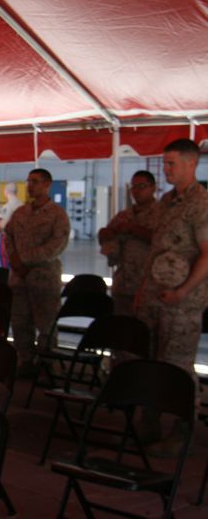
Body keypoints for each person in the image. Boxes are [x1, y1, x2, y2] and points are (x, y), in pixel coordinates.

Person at [136, 139, 208, 454]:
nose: (165, 169)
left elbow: (207, 254)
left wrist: (183, 291)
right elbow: (155, 251)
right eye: (164, 163)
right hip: (155, 295)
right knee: (151, 360)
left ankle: (183, 429)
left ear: (191, 164)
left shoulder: (201, 204)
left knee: (178, 365)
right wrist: (142, 290)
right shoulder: (167, 202)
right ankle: (149, 423)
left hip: (183, 301)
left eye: (171, 164)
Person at [4, 169, 70, 376]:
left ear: (47, 185)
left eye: (36, 181)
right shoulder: (21, 213)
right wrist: (14, 260)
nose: (31, 186)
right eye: (29, 181)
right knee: (20, 321)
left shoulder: (57, 214)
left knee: (46, 323)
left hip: (44, 279)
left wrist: (25, 260)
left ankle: (46, 362)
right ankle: (25, 360)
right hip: (20, 279)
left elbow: (57, 245)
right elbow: (9, 237)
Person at [98, 170, 159, 316]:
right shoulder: (124, 215)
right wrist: (104, 234)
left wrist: (134, 229)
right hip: (123, 284)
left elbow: (163, 240)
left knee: (145, 331)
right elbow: (106, 237)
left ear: (153, 188)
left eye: (141, 186)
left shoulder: (163, 213)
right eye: (133, 187)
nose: (136, 191)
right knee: (122, 329)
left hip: (149, 285)